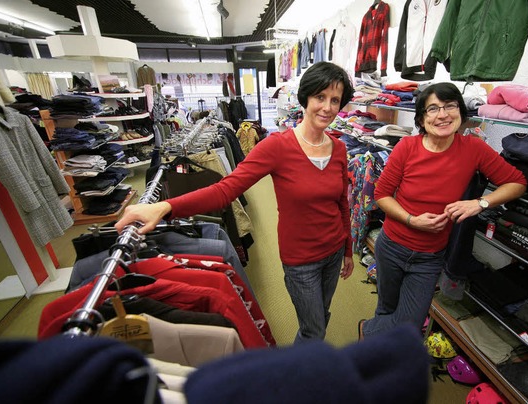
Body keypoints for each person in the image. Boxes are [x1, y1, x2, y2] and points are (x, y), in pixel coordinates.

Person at [115, 61, 355, 344]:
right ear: (306, 97)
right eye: (320, 97)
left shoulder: (339, 148)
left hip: (333, 251)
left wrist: (348, 249)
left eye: (335, 100)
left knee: (321, 316)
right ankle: (300, 376)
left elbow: (342, 203)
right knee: (314, 329)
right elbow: (225, 191)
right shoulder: (277, 146)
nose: (327, 107)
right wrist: (165, 207)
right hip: (301, 259)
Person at [359, 82, 527, 339]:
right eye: (433, 109)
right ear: (422, 118)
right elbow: (381, 195)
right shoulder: (407, 147)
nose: (443, 114)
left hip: (429, 257)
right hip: (392, 246)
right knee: (386, 308)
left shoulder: (474, 149)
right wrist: (412, 220)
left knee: (410, 324)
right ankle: (380, 354)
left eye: (450, 106)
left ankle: (368, 331)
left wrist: (480, 203)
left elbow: (517, 183)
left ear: (460, 112)